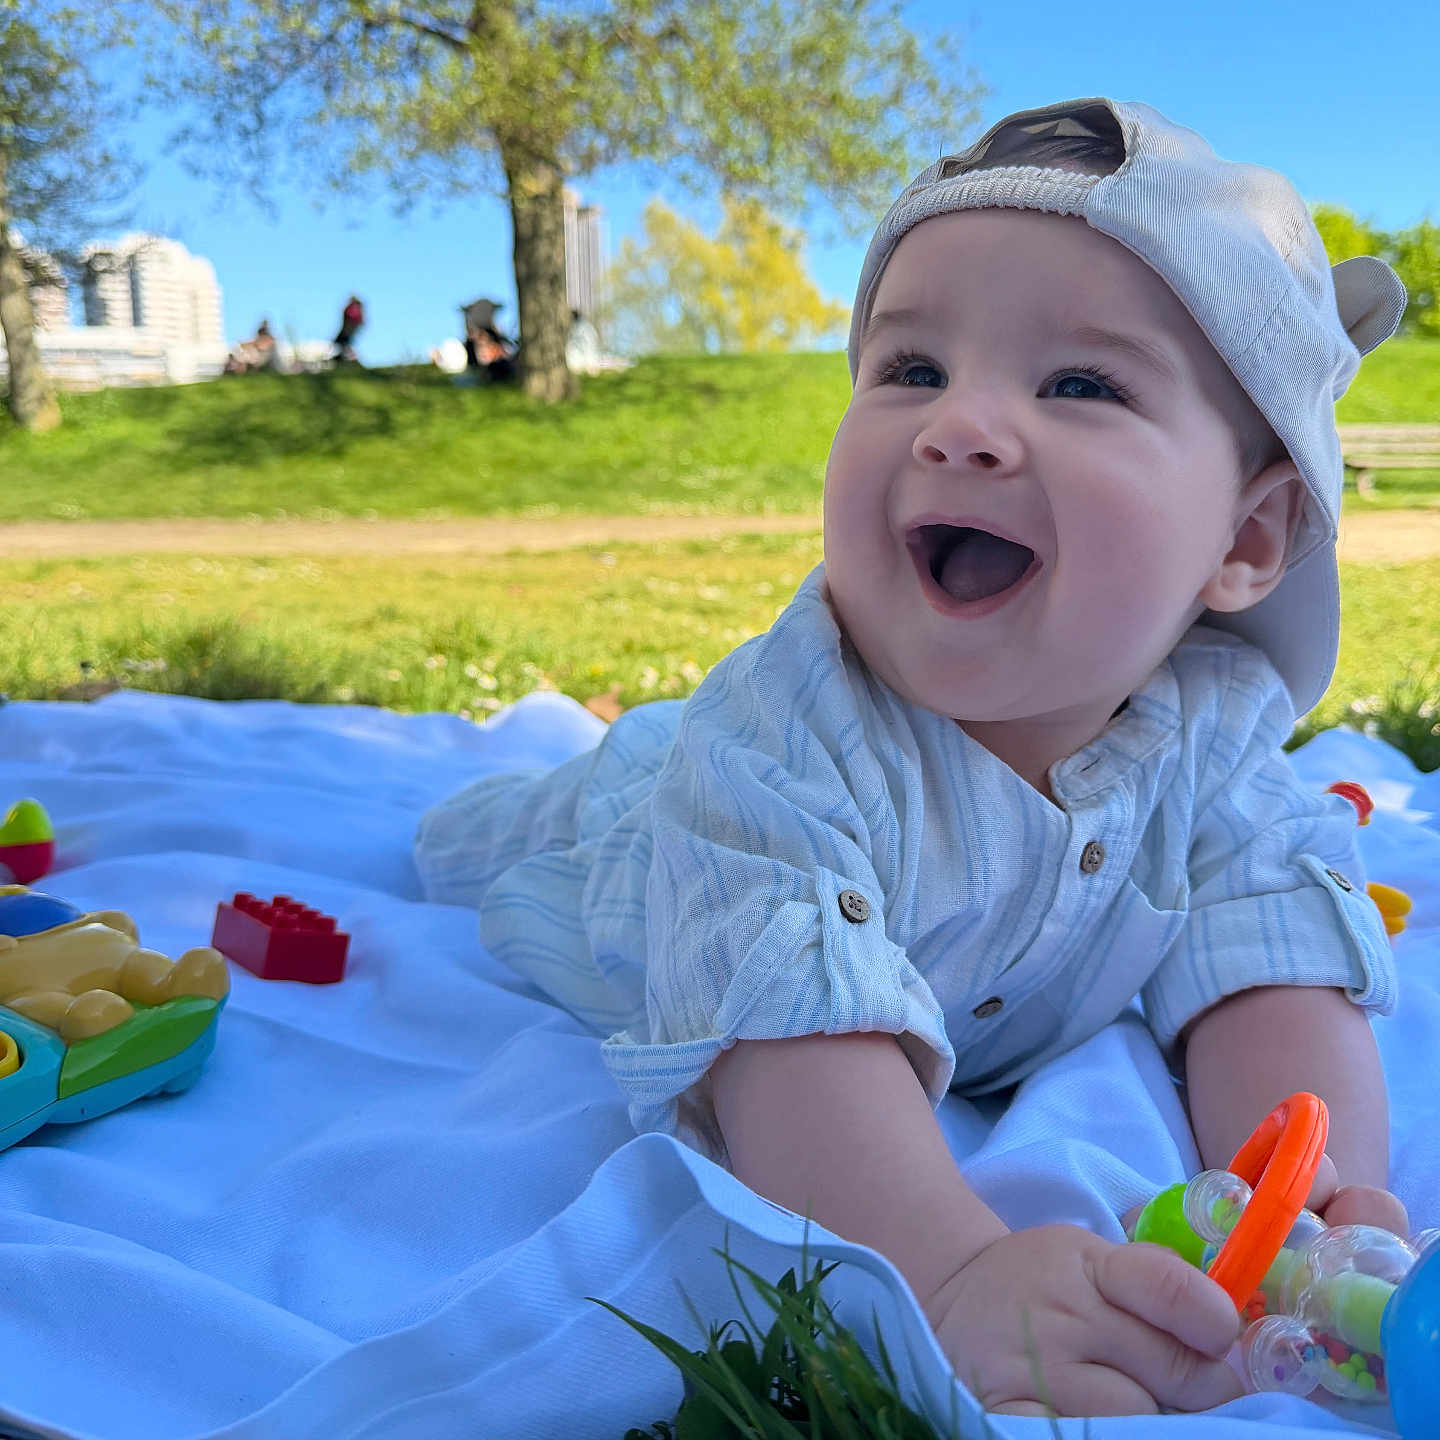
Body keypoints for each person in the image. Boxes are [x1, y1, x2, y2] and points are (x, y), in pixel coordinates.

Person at [412, 99, 1409, 1417]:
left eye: (1080, 385)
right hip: (637, 836)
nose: (963, 427)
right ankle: (515, 790)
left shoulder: (1211, 742)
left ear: (1251, 539)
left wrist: (1322, 1218)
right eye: (912, 370)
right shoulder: (781, 746)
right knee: (504, 826)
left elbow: (1272, 960)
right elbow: (787, 1045)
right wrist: (949, 1277)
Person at [333, 295, 365, 363]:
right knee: (343, 343)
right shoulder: (357, 308)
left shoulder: (353, 307)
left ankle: (346, 358)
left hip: (348, 329)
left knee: (342, 343)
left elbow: (350, 316)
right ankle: (345, 357)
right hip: (350, 329)